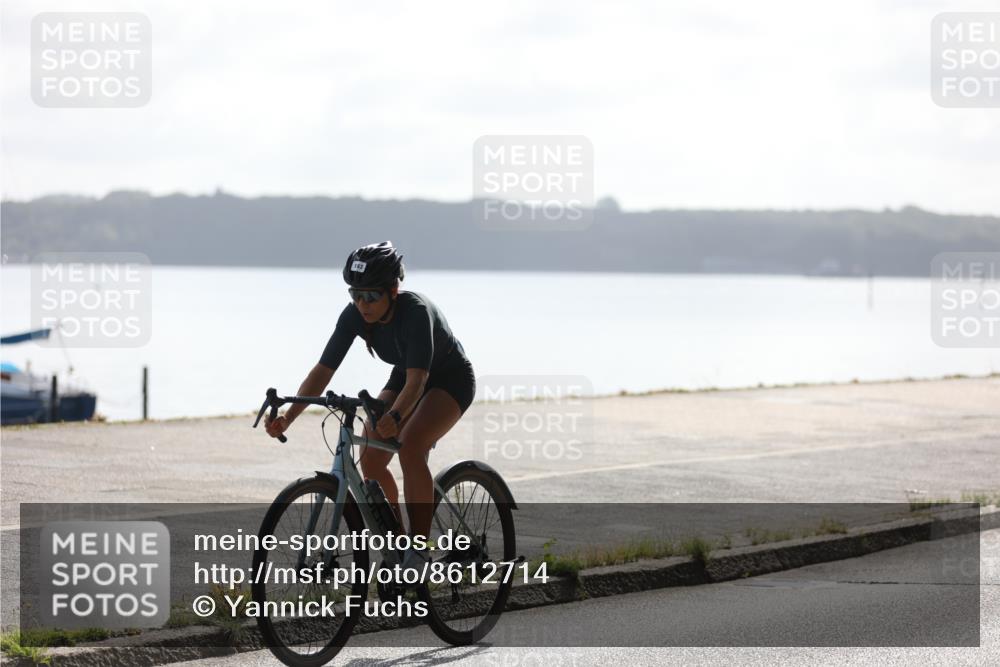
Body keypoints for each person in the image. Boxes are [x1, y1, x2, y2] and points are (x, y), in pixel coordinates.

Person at [264, 241, 475, 571]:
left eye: (372, 295)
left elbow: (419, 382)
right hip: (406, 374)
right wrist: (290, 416)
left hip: (448, 379)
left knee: (411, 446)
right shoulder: (354, 316)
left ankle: (418, 553)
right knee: (372, 458)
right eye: (355, 294)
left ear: (393, 289)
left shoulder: (415, 311)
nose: (363, 303)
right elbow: (323, 370)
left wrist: (395, 415)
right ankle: (398, 543)